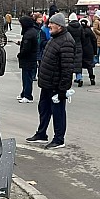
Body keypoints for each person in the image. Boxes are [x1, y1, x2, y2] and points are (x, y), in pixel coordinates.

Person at [25, 12, 75, 150]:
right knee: (43, 109)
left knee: (58, 112)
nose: (49, 25)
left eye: (52, 23)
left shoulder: (66, 41)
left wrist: (62, 90)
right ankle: (41, 134)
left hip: (56, 85)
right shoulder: (55, 38)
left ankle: (59, 139)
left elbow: (67, 69)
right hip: (47, 84)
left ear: (59, 26)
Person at [17, 14, 39, 103]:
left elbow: (26, 49)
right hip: (31, 58)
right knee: (26, 77)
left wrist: (20, 55)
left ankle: (28, 96)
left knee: (27, 77)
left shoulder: (28, 34)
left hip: (28, 59)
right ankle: (24, 93)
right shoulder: (32, 32)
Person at [67, 13, 85, 86]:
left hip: (70, 46)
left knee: (70, 64)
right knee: (78, 64)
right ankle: (79, 78)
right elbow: (83, 37)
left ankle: (69, 80)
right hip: (79, 46)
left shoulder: (68, 27)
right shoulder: (80, 27)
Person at [80, 18, 98, 85]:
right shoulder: (90, 31)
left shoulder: (80, 31)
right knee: (89, 65)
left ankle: (80, 79)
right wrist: (95, 51)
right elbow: (94, 40)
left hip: (81, 50)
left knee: (80, 65)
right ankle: (91, 78)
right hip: (89, 50)